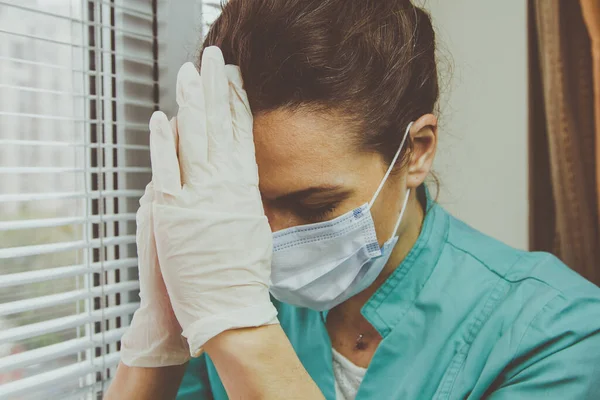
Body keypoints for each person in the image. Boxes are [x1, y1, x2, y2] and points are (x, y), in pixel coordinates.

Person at [105, 0, 600, 399]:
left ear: (416, 152)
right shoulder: (228, 282)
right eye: (247, 204)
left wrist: (242, 331)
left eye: (316, 205)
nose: (270, 239)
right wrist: (158, 334)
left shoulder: (559, 333)